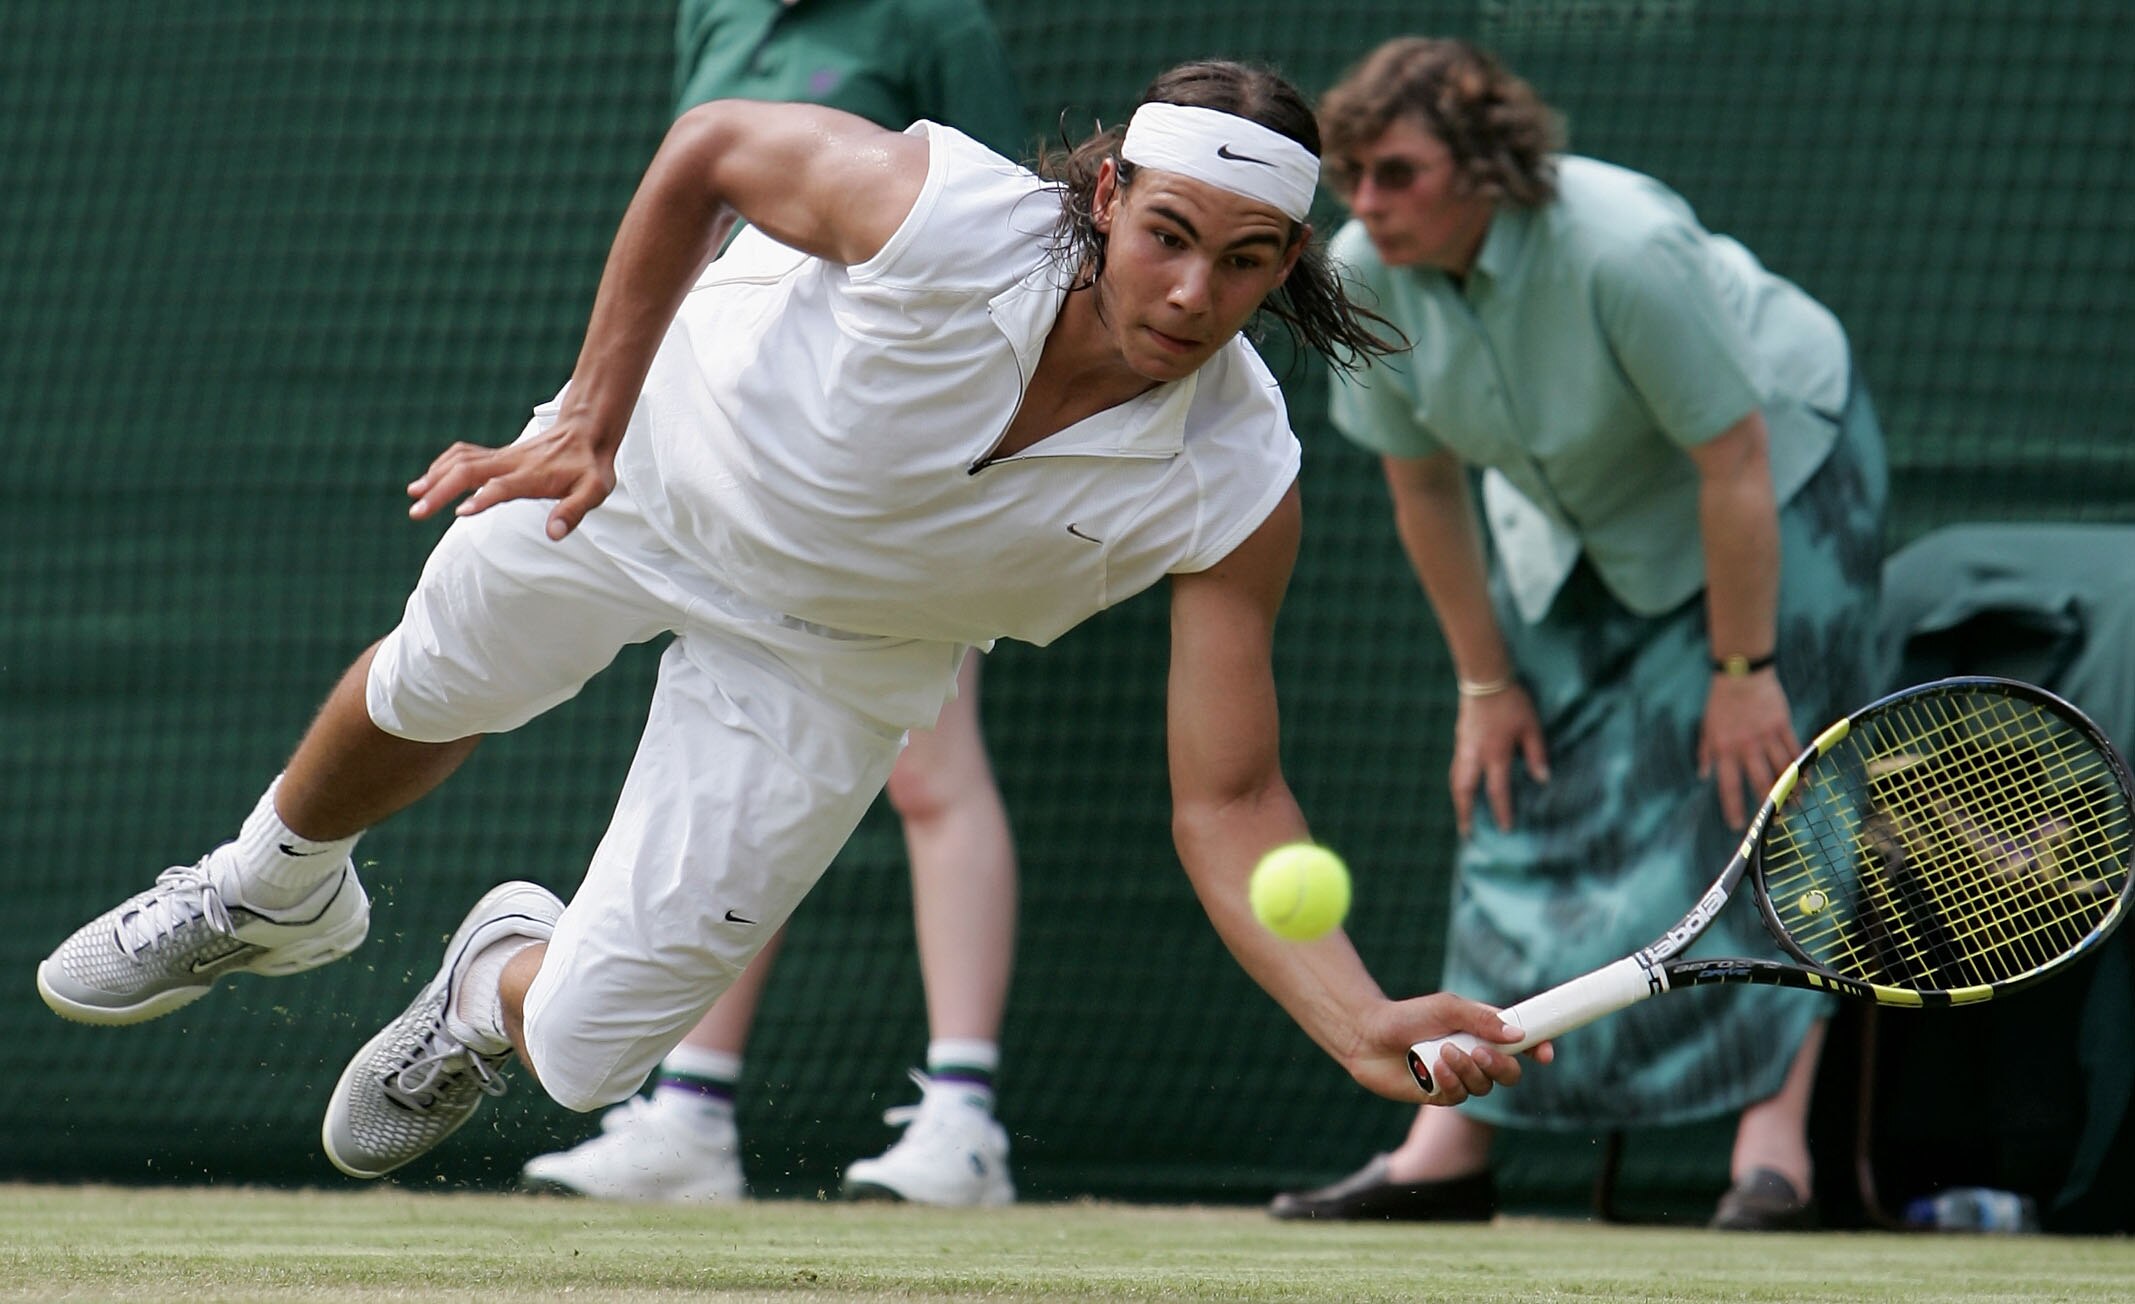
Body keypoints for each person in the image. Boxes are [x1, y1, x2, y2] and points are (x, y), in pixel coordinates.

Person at [35, 59, 1545, 1185]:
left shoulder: (1237, 477)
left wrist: (1351, 1016)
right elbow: (709, 149)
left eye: (1244, 261)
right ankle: (270, 884)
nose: (1188, 290)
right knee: (439, 675)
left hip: (837, 663)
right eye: (1165, 234)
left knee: (582, 1055)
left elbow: (1226, 795)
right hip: (650, 483)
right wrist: (589, 415)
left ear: (1287, 266)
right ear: (1104, 199)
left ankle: (485, 985)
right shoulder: (941, 213)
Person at [1266, 37, 1886, 1231]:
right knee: (1511, 773)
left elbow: (1732, 459)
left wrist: (1744, 669)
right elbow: (1422, 488)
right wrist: (1481, 681)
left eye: (1396, 172)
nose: (1367, 203)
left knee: (1771, 784)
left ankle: (1771, 1157)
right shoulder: (1362, 269)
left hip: (1773, 479)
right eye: (1352, 175)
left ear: (1485, 166)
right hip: (1572, 514)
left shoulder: (1621, 244)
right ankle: (1444, 1146)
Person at [518, 0, 1027, 1209]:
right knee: (727, 762)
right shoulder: (714, 14)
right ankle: (689, 1115)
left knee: (929, 772)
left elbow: (1024, 238)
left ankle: (963, 1122)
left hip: (897, 453)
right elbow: (692, 212)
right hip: (730, 427)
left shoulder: (931, 21)